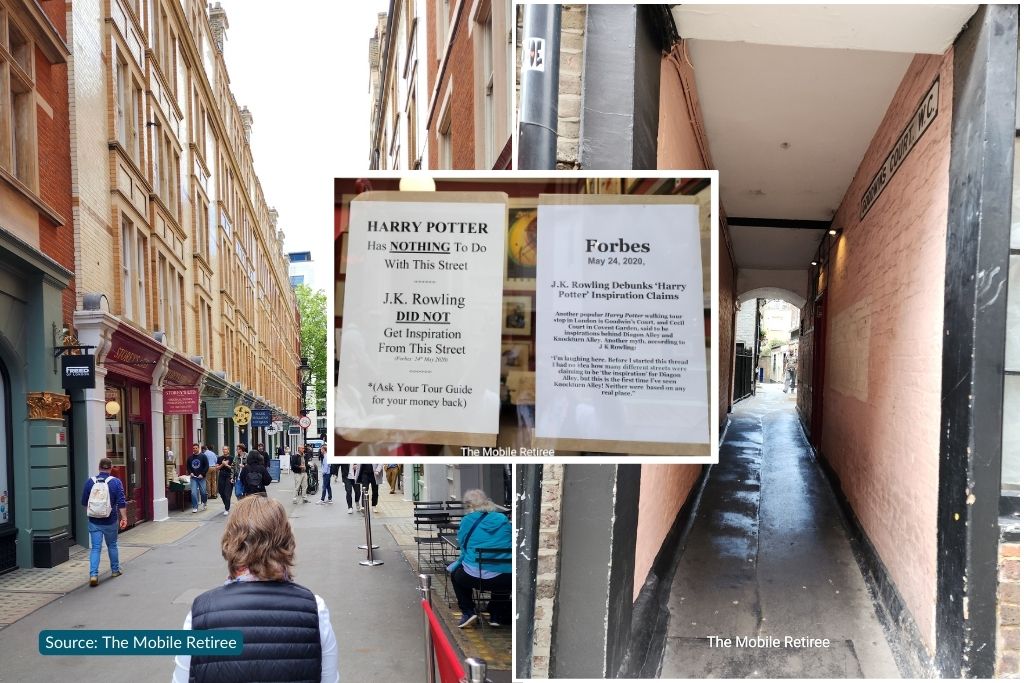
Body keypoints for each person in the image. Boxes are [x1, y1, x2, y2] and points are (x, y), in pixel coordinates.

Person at [171, 496, 339, 683]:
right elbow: (329, 679)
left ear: (231, 541)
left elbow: (182, 678)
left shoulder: (200, 613)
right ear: (286, 540)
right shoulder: (314, 608)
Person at [448, 489, 512, 628]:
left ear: (469, 505)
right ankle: (496, 614)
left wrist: (456, 564)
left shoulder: (467, 520)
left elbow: (463, 547)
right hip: (505, 578)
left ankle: (468, 611)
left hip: (475, 577)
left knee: (456, 574)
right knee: (504, 568)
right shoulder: (502, 519)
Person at [80, 458, 128, 587]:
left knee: (96, 548)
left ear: (99, 467)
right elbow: (121, 502)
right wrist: (124, 518)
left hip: (94, 521)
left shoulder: (90, 482)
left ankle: (93, 575)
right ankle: (115, 570)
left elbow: (84, 502)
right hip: (110, 520)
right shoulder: (116, 482)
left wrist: (92, 513)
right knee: (112, 545)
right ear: (111, 468)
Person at [187, 443, 209, 513]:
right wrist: (190, 472)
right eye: (193, 448)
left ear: (198, 448)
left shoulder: (203, 456)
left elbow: (206, 466)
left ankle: (204, 502)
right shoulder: (190, 458)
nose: (194, 449)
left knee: (203, 492)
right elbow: (188, 466)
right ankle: (195, 507)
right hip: (194, 478)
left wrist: (202, 474)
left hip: (201, 478)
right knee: (193, 492)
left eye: (196, 448)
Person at [216, 447, 234, 515]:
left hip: (229, 476)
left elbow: (233, 468)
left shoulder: (232, 458)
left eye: (226, 449)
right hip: (221, 476)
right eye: (223, 449)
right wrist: (222, 464)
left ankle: (227, 508)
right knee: (221, 492)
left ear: (228, 450)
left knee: (227, 493)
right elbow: (217, 468)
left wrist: (226, 465)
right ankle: (226, 504)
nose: (224, 450)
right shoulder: (219, 458)